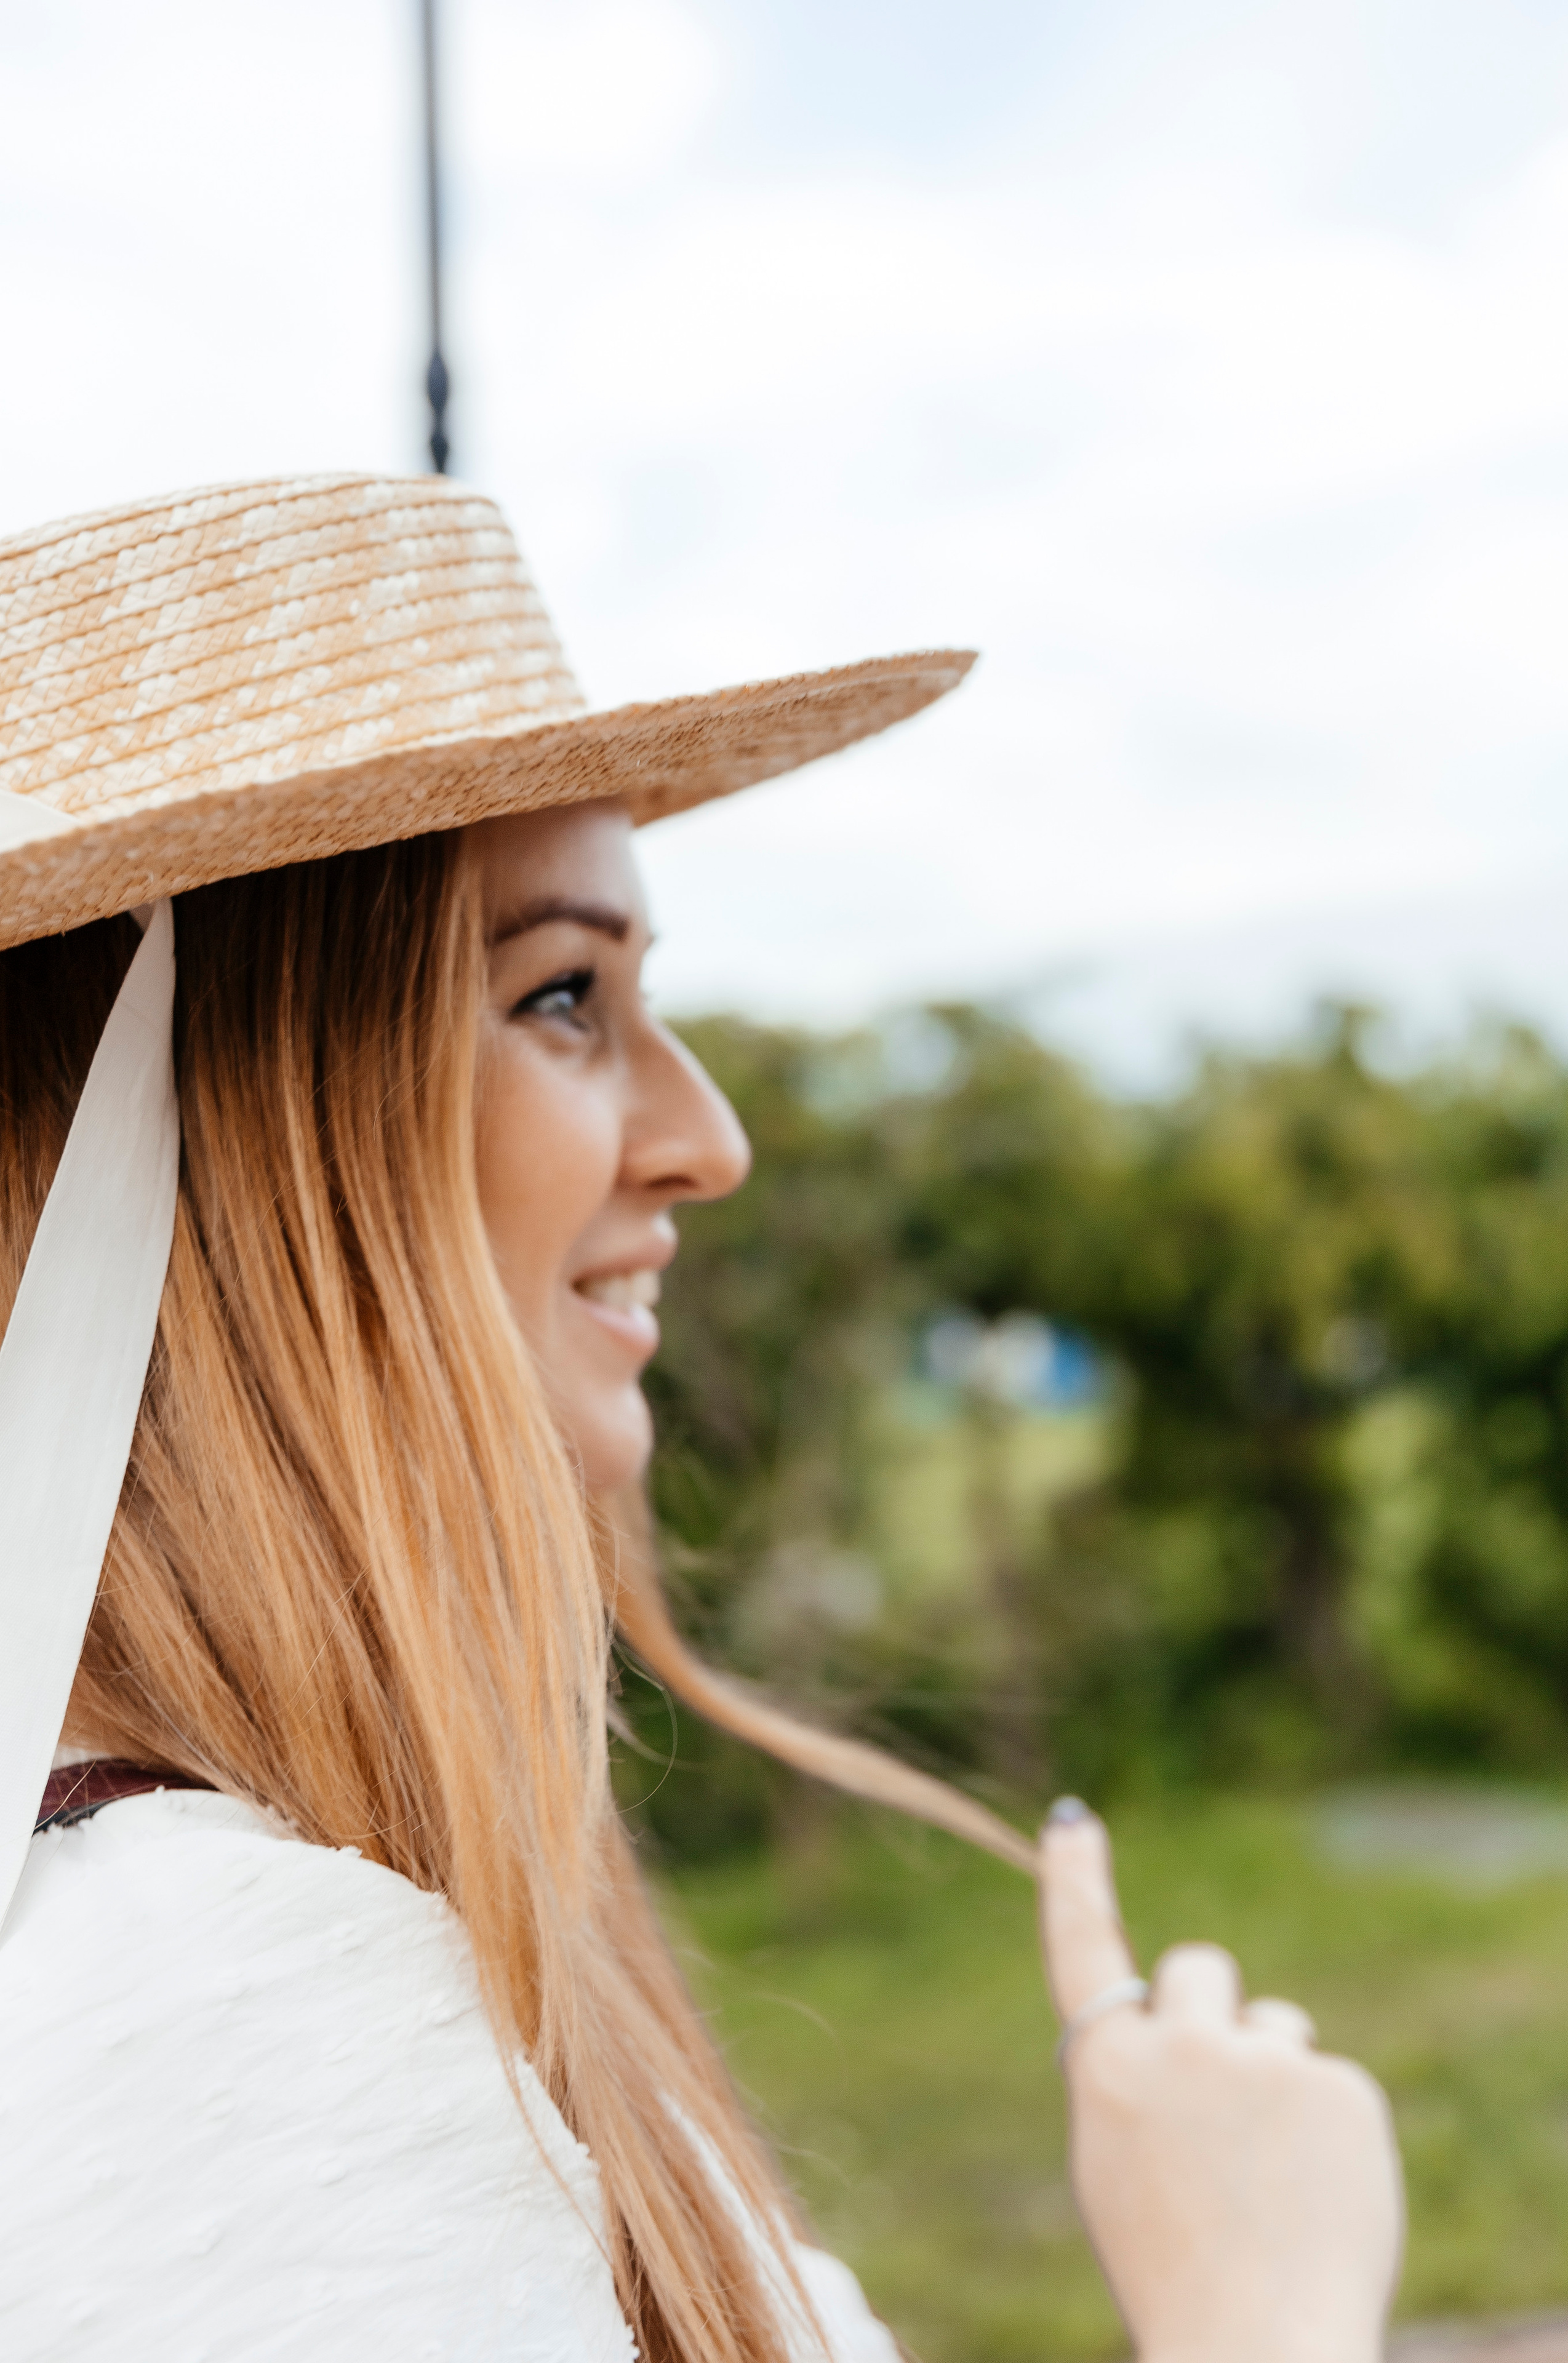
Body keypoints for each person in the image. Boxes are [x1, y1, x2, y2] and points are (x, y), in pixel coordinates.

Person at [0, 474, 1402, 2362]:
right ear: (232, 1130)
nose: (708, 1140)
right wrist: (1260, 2308)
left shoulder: (174, 1945)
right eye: (561, 997)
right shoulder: (231, 2049)